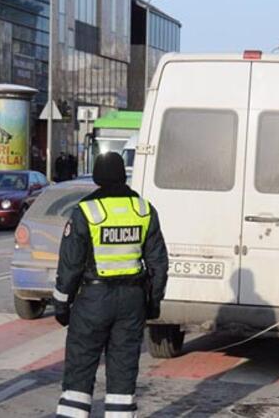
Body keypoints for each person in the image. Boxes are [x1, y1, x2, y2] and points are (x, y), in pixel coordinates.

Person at [52, 152, 169, 418]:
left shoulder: (86, 210)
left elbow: (70, 265)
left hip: (93, 299)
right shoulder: (143, 209)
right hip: (132, 301)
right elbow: (159, 263)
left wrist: (61, 302)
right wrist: (153, 302)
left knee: (80, 369)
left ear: (97, 177)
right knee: (123, 372)